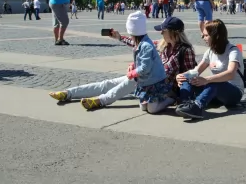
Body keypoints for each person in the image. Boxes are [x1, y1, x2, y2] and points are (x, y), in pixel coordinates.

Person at [49, 12, 179, 114]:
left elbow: (147, 66)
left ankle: (100, 101)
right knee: (107, 84)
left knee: (119, 88)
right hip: (144, 78)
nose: (161, 33)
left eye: (163, 31)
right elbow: (142, 54)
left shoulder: (153, 45)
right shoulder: (150, 42)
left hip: (150, 82)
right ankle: (69, 93)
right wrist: (119, 37)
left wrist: (134, 71)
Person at [175, 19, 244, 119]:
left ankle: (197, 106)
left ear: (216, 36)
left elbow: (230, 74)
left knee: (215, 82)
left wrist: (206, 80)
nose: (203, 38)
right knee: (186, 77)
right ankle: (186, 104)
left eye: (206, 35)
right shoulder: (210, 51)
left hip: (233, 93)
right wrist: (182, 76)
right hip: (215, 93)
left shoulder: (233, 51)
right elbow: (196, 71)